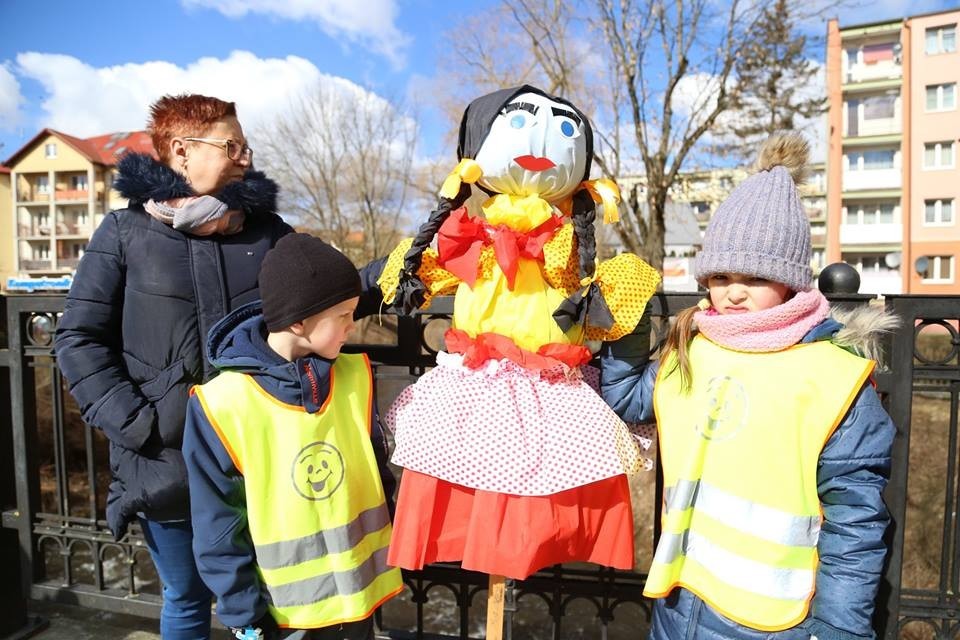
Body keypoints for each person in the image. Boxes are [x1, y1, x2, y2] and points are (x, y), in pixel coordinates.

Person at [53, 94, 383, 639]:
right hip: (166, 464)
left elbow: (326, 294)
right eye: (232, 146)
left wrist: (409, 266)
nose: (245, 158)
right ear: (181, 150)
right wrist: (141, 426)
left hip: (263, 458)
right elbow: (79, 339)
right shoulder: (124, 233)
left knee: (269, 603)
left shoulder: (266, 232)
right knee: (186, 600)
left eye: (245, 147)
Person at [601, 133, 898, 640]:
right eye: (720, 276)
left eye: (755, 277)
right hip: (679, 600)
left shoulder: (831, 375)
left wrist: (839, 629)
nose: (734, 293)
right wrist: (625, 321)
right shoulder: (697, 348)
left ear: (789, 281)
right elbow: (627, 398)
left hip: (772, 621)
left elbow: (855, 520)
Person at [377, 85, 661, 580]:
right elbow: (410, 281)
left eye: (564, 130)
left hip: (553, 389)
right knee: (472, 488)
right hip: (475, 385)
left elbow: (599, 300)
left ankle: (513, 569)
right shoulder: (473, 237)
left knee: (537, 501)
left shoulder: (567, 243)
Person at [182, 233, 402, 640]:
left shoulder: (353, 376)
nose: (352, 325)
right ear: (298, 321)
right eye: (343, 315)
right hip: (283, 617)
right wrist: (243, 613)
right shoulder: (222, 403)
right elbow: (217, 522)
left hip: (357, 599)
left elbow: (376, 472)